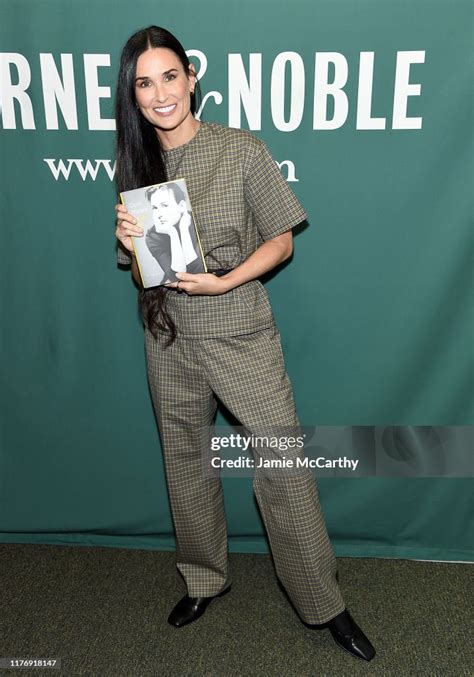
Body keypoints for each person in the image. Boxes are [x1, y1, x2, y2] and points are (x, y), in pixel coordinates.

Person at [114, 25, 376, 662]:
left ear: (191, 78)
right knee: (186, 459)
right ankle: (203, 579)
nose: (159, 93)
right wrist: (129, 246)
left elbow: (283, 239)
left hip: (238, 328)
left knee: (283, 462)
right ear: (134, 95)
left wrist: (225, 280)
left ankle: (324, 603)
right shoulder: (135, 163)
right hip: (167, 334)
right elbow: (144, 263)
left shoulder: (241, 150)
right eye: (144, 83)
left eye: (169, 76)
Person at [145, 182, 203, 284]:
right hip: (174, 291)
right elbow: (176, 277)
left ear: (181, 206)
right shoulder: (153, 236)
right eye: (155, 208)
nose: (159, 214)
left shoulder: (198, 219)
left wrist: (184, 230)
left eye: (164, 205)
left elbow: (198, 272)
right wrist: (173, 234)